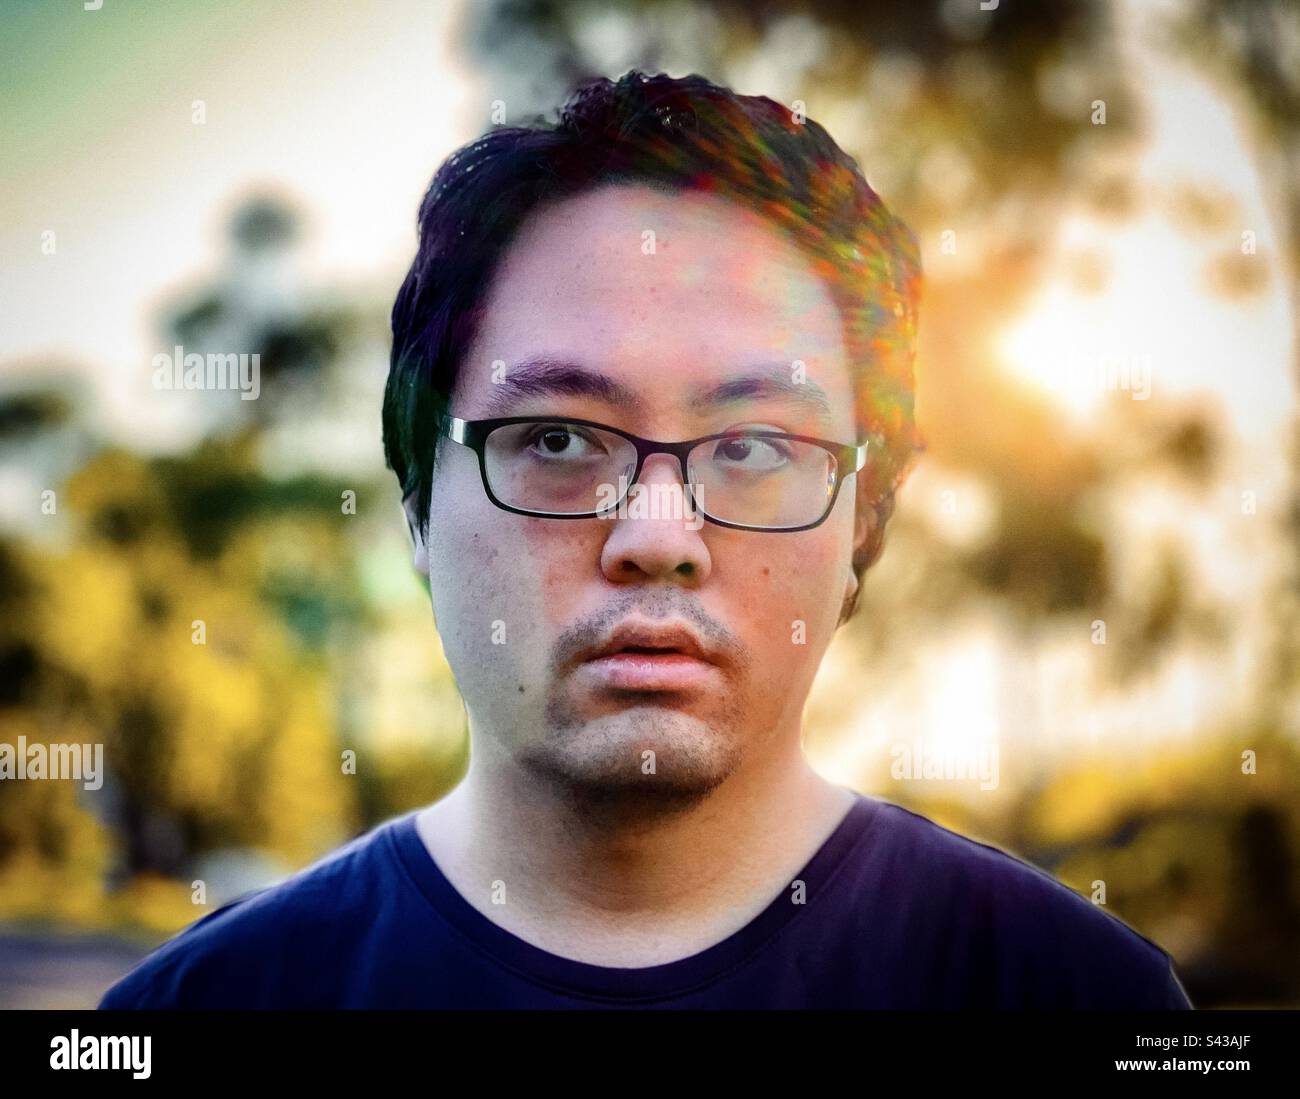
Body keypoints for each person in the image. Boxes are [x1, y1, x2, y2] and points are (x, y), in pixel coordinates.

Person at [100, 70, 1192, 1009]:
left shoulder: (1075, 997)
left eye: (757, 447)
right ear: (415, 504)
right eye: (560, 436)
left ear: (863, 519)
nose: (658, 536)